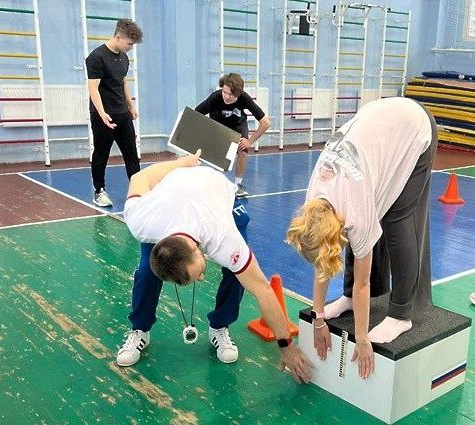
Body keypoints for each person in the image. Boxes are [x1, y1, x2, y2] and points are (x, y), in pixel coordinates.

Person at [117, 149, 312, 384]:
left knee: (237, 272)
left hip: (216, 192)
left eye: (197, 273)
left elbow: (263, 289)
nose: (201, 279)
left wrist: (286, 346)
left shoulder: (222, 237)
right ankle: (140, 329)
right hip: (167, 198)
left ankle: (219, 326)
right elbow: (139, 177)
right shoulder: (141, 221)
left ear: (195, 247)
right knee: (147, 271)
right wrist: (181, 163)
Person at [286, 97, 438, 379]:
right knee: (363, 231)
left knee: (396, 220)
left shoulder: (356, 208)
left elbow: (363, 282)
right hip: (381, 124)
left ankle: (400, 314)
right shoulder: (314, 205)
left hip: (414, 127)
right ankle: (346, 298)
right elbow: (323, 261)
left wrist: (363, 337)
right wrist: (318, 318)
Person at [85, 19, 143, 207]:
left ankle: (137, 191)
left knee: (131, 154)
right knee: (101, 154)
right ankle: (99, 191)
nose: (131, 48)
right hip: (103, 116)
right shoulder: (96, 57)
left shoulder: (124, 58)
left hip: (122, 114)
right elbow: (93, 89)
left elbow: (123, 82)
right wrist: (102, 114)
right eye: (129, 44)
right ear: (118, 37)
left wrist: (131, 105)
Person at [195, 73, 271, 198]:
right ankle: (216, 183)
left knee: (243, 150)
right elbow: (195, 115)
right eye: (224, 92)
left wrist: (250, 141)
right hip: (219, 128)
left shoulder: (244, 98)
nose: (226, 96)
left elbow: (266, 123)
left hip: (237, 126)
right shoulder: (215, 98)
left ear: (238, 94)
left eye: (230, 94)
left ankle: (237, 185)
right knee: (221, 166)